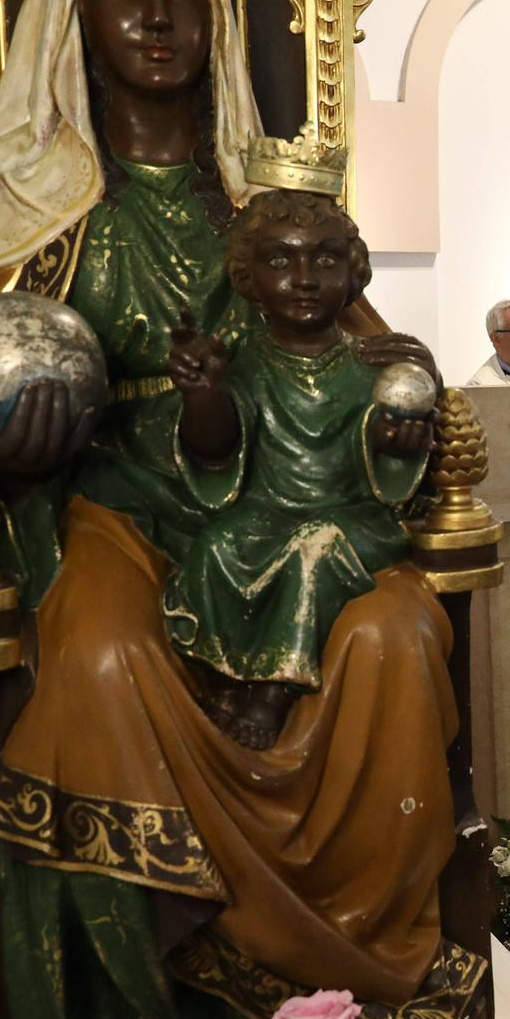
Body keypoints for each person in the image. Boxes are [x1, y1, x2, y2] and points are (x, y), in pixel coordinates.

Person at [0, 0, 472, 1019]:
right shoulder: (36, 214)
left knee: (398, 631)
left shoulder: (260, 210)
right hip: (107, 512)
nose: (156, 14)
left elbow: (367, 358)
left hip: (279, 503)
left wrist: (410, 403)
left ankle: (351, 979)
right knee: (93, 653)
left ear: (215, 20)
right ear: (71, 21)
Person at [163, 175, 431, 750]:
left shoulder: (370, 365)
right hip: (265, 513)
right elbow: (215, 450)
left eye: (327, 260)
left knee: (313, 546)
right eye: (281, 260)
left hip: (354, 522)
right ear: (249, 277)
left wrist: (399, 438)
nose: (305, 279)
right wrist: (202, 394)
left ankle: (274, 692)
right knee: (215, 547)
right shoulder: (244, 364)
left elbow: (391, 454)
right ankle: (225, 682)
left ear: (353, 273)